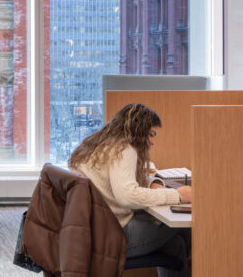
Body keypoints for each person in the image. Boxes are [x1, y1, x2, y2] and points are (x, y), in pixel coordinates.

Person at [68, 103, 192, 277]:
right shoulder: (124, 149)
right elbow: (127, 196)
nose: (153, 141)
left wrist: (151, 183)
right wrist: (177, 196)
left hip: (95, 233)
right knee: (188, 227)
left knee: (176, 246)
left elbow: (120, 180)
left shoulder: (101, 143)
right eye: (151, 134)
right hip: (113, 236)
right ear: (139, 130)